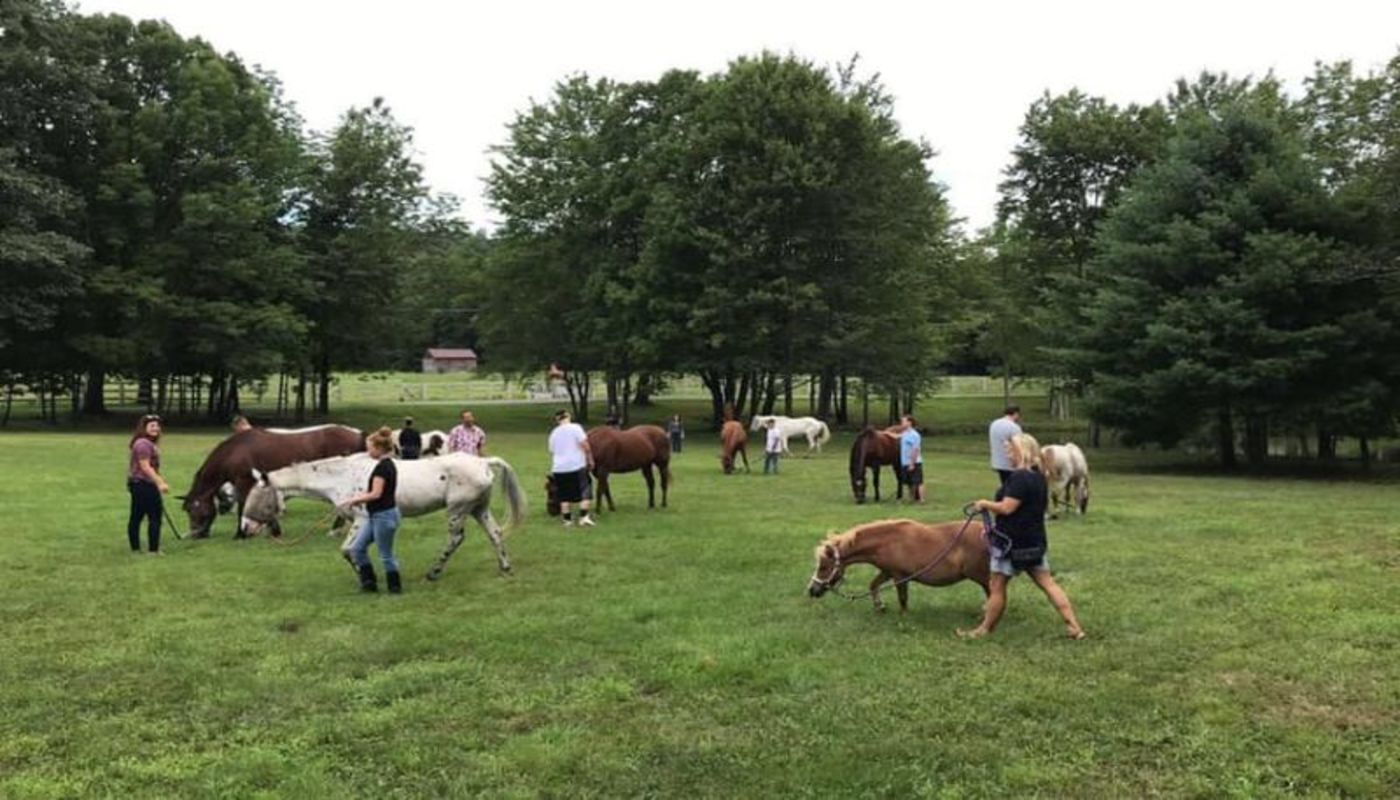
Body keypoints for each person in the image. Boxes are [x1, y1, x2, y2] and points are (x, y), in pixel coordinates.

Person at [961, 432, 1085, 640]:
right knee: (1048, 584)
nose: (1007, 452)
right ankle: (1074, 627)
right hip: (1034, 541)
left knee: (997, 586)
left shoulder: (1019, 477)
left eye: (1010, 449)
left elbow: (1007, 508)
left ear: (1020, 451)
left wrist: (984, 504)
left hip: (1011, 544)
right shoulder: (1039, 476)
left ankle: (984, 629)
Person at [339, 427, 402, 594]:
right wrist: (361, 497)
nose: (368, 451)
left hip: (384, 516)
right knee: (357, 549)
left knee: (385, 554)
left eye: (370, 448)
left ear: (379, 448)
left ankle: (395, 588)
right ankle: (369, 584)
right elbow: (376, 493)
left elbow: (376, 493)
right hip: (376, 515)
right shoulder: (387, 464)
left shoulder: (382, 468)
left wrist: (354, 499)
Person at [127, 414, 170, 555]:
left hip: (139, 484)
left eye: (157, 426)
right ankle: (153, 550)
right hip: (143, 484)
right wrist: (160, 482)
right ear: (143, 428)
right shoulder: (143, 444)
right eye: (152, 426)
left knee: (137, 516)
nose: (156, 428)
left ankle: (136, 548)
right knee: (154, 517)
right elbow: (145, 467)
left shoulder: (146, 443)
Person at [549, 409, 595, 527]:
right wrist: (590, 459)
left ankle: (567, 520)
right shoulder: (576, 428)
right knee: (585, 490)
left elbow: (552, 450)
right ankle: (583, 517)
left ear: (557, 420)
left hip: (559, 468)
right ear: (568, 417)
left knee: (564, 495)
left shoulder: (554, 433)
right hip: (576, 465)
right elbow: (585, 445)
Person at [989, 405, 1023, 487]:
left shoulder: (994, 423)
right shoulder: (1014, 427)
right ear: (1015, 414)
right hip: (1010, 463)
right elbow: (1019, 445)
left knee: (1004, 483)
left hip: (997, 461)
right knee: (1013, 486)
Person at [898, 414, 925, 503]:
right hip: (905, 462)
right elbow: (896, 436)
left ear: (909, 423)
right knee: (909, 482)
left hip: (914, 462)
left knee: (918, 481)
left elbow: (915, 449)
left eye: (903, 421)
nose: (901, 423)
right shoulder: (905, 433)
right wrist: (885, 433)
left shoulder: (915, 435)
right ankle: (911, 498)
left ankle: (921, 499)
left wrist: (912, 463)